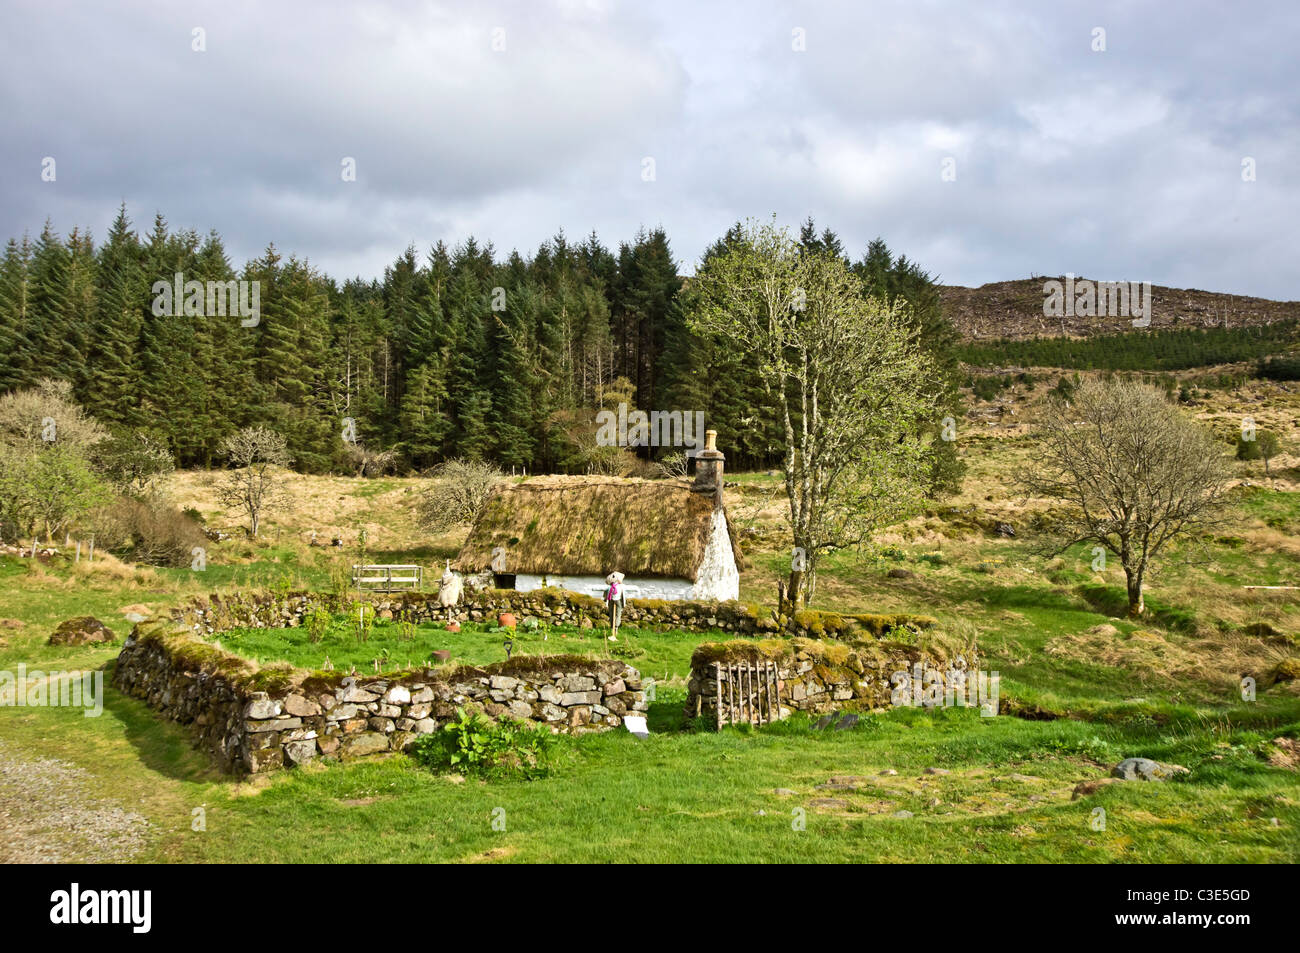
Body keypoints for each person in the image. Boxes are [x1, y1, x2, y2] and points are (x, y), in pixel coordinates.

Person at [603, 571, 626, 641]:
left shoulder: (611, 587)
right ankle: (614, 629)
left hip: (613, 600)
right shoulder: (619, 587)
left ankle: (614, 629)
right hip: (615, 601)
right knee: (616, 614)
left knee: (615, 614)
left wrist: (606, 600)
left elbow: (605, 596)